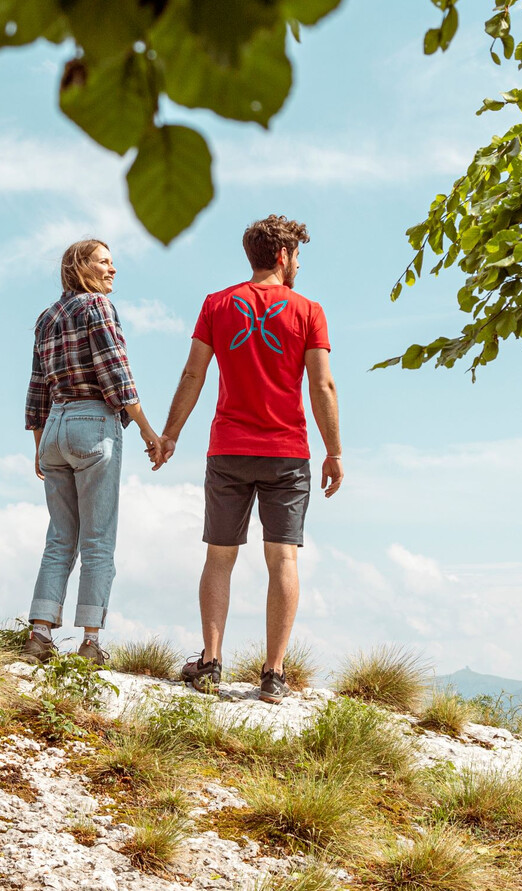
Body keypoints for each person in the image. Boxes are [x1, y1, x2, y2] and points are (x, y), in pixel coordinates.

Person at [152, 215, 343, 703]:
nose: (298, 263)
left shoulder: (217, 305)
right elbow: (321, 385)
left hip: (229, 449)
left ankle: (211, 663)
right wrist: (334, 451)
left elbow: (192, 375)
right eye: (298, 254)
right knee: (283, 557)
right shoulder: (309, 311)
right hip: (286, 453)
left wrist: (170, 434)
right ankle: (273, 675)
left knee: (219, 556)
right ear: (283, 255)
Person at [23, 239, 163, 665]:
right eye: (104, 261)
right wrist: (149, 431)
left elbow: (36, 390)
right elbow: (115, 374)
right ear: (81, 266)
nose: (113, 269)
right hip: (92, 423)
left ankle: (39, 633)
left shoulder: (46, 318)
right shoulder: (96, 308)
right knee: (98, 540)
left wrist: (39, 446)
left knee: (59, 538)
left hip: (54, 430)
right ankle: (89, 643)